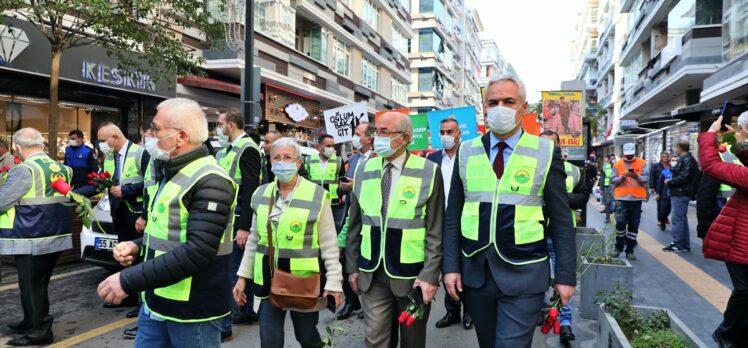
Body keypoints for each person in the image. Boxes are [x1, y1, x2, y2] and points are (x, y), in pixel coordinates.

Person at [443, 75, 575, 348]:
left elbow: (562, 221)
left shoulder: (545, 151)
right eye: (493, 102)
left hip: (525, 274)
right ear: (484, 108)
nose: (500, 107)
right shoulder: (466, 152)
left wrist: (565, 276)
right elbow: (452, 217)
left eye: (508, 101)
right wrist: (451, 267)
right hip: (476, 274)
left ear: (523, 107)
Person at [97, 98, 237, 347]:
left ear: (181, 137)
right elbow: (170, 232)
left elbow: (198, 251)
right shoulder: (172, 172)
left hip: (193, 312)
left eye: (156, 129)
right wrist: (139, 245)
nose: (149, 135)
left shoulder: (211, 180)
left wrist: (127, 280)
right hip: (156, 302)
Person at [232, 137, 343, 348]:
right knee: (270, 341)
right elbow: (254, 241)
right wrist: (242, 278)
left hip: (303, 282)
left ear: (298, 163)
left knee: (306, 337)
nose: (282, 162)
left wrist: (334, 283)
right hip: (267, 280)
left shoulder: (318, 195)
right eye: (277, 158)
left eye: (288, 157)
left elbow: (329, 245)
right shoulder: (261, 194)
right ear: (270, 162)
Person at [346, 111, 444, 348]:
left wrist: (430, 275)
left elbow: (436, 230)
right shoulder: (363, 169)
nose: (375, 137)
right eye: (375, 131)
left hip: (412, 276)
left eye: (384, 132)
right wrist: (352, 267)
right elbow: (354, 224)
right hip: (372, 272)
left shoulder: (429, 171)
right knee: (375, 339)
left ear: (405, 138)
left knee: (412, 341)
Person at [0, 128, 72, 347]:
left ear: (18, 148)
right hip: (55, 234)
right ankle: (30, 320)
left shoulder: (25, 169)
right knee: (33, 283)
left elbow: (3, 202)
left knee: (33, 285)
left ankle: (40, 332)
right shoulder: (62, 168)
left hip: (31, 235)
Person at [698, 115, 748, 347]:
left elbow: (712, 165)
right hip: (739, 240)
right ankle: (727, 334)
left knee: (745, 292)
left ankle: (731, 334)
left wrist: (710, 135)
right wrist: (738, 141)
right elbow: (712, 166)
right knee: (745, 291)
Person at [214, 108, 263, 339]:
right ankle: (247, 311)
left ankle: (225, 326)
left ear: (231, 125)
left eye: (220, 123)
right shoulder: (226, 151)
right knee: (239, 269)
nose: (218, 128)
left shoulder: (248, 150)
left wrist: (245, 226)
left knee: (231, 272)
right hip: (226, 219)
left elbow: (251, 189)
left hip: (236, 222)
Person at [539, 130, 590, 343]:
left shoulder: (574, 171)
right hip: (536, 231)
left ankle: (565, 323)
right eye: (543, 145)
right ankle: (543, 312)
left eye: (552, 145)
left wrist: (557, 198)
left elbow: (582, 198)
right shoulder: (532, 170)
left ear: (560, 148)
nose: (548, 149)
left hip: (562, 233)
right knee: (540, 277)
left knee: (564, 279)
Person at [426, 117, 473, 331]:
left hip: (465, 219)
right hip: (439, 219)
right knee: (447, 265)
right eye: (442, 132)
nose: (445, 136)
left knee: (466, 265)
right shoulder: (433, 158)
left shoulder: (469, 156)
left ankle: (469, 311)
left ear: (459, 134)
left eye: (450, 132)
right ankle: (452, 310)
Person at [96, 123, 149, 307]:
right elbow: (102, 181)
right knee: (124, 257)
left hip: (137, 214)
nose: (100, 144)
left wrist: (126, 191)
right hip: (119, 212)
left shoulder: (141, 153)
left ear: (115, 137)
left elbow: (151, 184)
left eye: (103, 140)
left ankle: (141, 301)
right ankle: (128, 296)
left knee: (140, 257)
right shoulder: (109, 156)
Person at [335, 122, 375, 320]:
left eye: (358, 134)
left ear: (369, 138)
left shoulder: (377, 159)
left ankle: (369, 302)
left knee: (363, 259)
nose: (354, 137)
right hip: (348, 214)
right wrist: (343, 187)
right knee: (344, 259)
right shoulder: (353, 159)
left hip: (368, 218)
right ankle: (351, 301)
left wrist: (355, 186)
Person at [610, 143, 648, 260]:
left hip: (636, 199)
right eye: (627, 155)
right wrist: (622, 177)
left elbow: (646, 178)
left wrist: (636, 176)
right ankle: (618, 246)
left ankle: (630, 250)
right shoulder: (618, 164)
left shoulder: (642, 163)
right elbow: (612, 179)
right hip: (622, 198)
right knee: (620, 223)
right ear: (623, 153)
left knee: (633, 225)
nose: (629, 157)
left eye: (631, 155)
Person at [663, 141, 699, 253]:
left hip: (681, 192)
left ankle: (677, 244)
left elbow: (684, 176)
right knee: (682, 219)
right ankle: (683, 244)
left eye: (676, 147)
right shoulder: (688, 159)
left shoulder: (687, 160)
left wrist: (670, 182)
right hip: (682, 192)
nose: (675, 150)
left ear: (679, 148)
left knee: (677, 218)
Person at [307, 134, 346, 230]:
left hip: (334, 204)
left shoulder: (338, 161)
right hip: (314, 202)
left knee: (333, 230)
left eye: (333, 146)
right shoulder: (308, 160)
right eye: (328, 146)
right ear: (319, 147)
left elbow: (342, 181)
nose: (331, 148)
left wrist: (343, 195)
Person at [649, 151, 671, 230]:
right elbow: (651, 176)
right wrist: (652, 187)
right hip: (659, 187)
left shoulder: (671, 166)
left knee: (667, 205)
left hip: (669, 188)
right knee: (660, 204)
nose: (665, 158)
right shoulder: (655, 166)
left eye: (667, 157)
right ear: (661, 158)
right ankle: (660, 219)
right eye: (664, 157)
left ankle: (664, 217)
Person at [599, 154, 616, 223]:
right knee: (608, 202)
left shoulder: (617, 166)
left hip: (616, 187)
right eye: (611, 158)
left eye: (613, 158)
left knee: (617, 202)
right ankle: (607, 217)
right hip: (607, 187)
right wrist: (601, 188)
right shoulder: (604, 167)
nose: (613, 160)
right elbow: (602, 178)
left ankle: (617, 217)